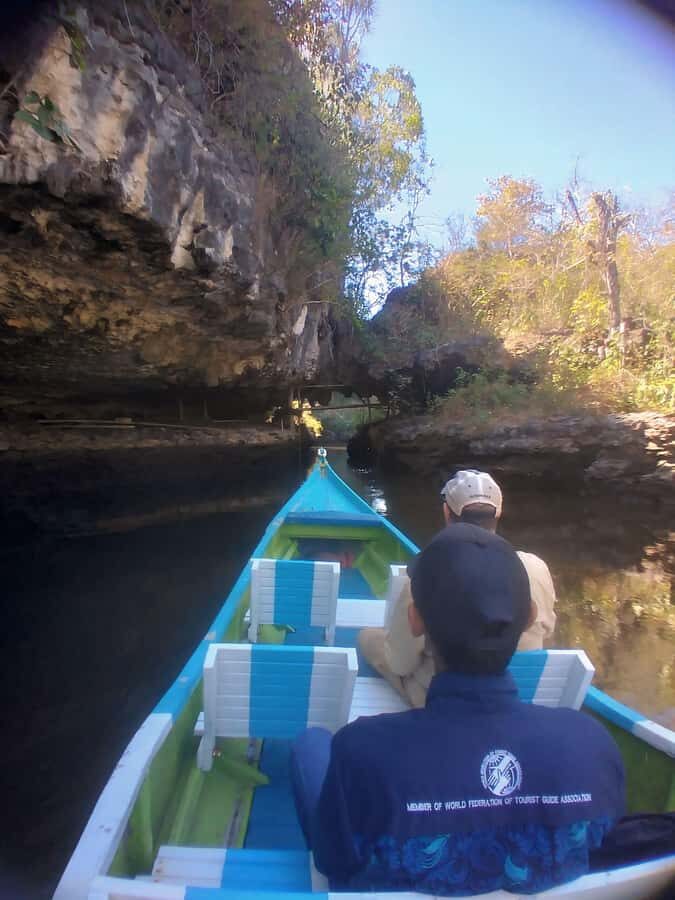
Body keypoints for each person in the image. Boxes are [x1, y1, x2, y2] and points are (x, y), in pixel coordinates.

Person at [290, 525, 625, 894]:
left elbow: (332, 861)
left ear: (415, 620)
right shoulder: (591, 744)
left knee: (311, 744)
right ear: (530, 616)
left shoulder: (363, 748)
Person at [359, 469, 557, 708]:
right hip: (521, 692)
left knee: (368, 638)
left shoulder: (428, 573)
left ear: (446, 512)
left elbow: (401, 663)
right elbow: (546, 630)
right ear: (499, 512)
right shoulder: (536, 568)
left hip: (442, 698)